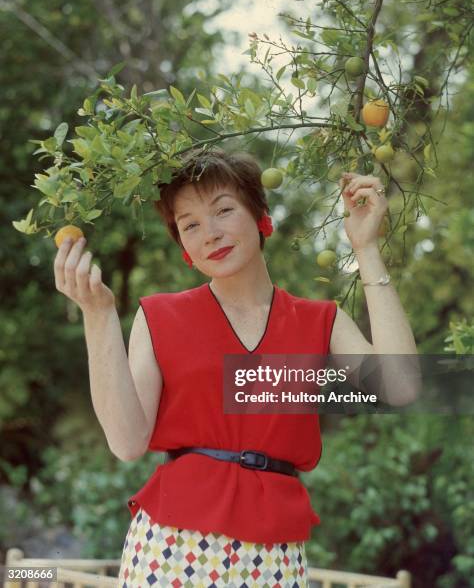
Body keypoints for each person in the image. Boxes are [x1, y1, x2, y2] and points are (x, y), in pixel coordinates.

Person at [53, 147, 418, 587]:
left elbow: (399, 387)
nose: (209, 233)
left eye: (223, 210)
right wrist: (98, 315)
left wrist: (366, 248)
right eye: (190, 225)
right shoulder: (159, 317)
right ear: (184, 246)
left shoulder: (319, 321)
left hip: (276, 555)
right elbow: (128, 442)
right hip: (171, 548)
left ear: (260, 214)